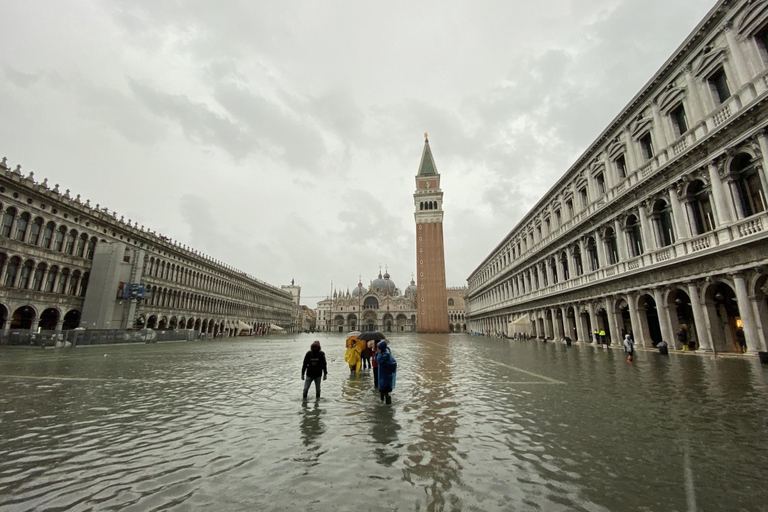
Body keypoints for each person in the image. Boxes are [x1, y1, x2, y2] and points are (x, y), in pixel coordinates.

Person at [375, 340, 397, 405]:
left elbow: (377, 359)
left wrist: (376, 354)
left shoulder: (384, 356)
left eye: (378, 348)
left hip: (385, 378)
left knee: (385, 392)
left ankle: (387, 405)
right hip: (384, 376)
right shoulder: (386, 353)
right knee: (382, 391)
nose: (377, 349)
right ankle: (382, 402)